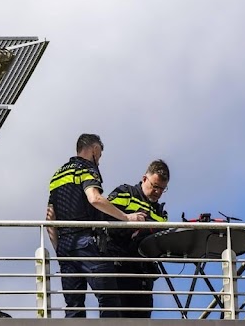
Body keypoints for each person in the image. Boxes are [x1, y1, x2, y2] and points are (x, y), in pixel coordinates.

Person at [47, 134, 147, 318]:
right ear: (94, 149)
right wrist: (127, 217)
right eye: (99, 155)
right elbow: (95, 198)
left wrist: (59, 250)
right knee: (110, 298)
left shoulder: (57, 175)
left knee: (74, 306)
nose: (99, 161)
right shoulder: (86, 168)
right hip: (87, 243)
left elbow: (50, 219)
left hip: (64, 246)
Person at [106, 159, 170, 318]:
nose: (158, 192)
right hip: (119, 267)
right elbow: (103, 217)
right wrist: (129, 222)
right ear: (144, 179)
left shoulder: (161, 214)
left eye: (162, 189)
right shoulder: (125, 193)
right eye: (155, 186)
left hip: (143, 274)